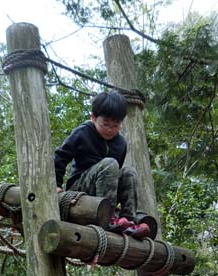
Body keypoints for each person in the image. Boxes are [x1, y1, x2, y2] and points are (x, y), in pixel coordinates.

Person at [54, 90, 150, 238]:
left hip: (105, 194)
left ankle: (128, 220)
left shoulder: (121, 144)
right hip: (80, 189)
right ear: (93, 117)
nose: (110, 129)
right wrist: (56, 185)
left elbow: (116, 179)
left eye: (115, 125)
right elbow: (60, 156)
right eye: (105, 124)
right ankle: (108, 218)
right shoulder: (83, 132)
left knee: (128, 172)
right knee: (110, 164)